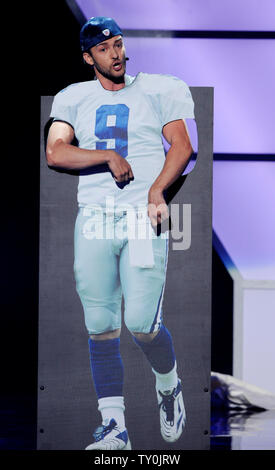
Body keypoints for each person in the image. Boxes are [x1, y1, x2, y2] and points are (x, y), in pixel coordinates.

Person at [46, 16, 194, 450]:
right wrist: (107, 154)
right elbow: (56, 151)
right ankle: (116, 428)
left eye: (118, 43)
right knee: (100, 324)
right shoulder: (73, 97)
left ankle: (168, 385)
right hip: (94, 217)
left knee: (141, 323)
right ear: (87, 56)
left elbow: (183, 147)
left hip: (139, 218)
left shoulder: (160, 88)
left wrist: (156, 189)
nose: (115, 53)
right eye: (104, 47)